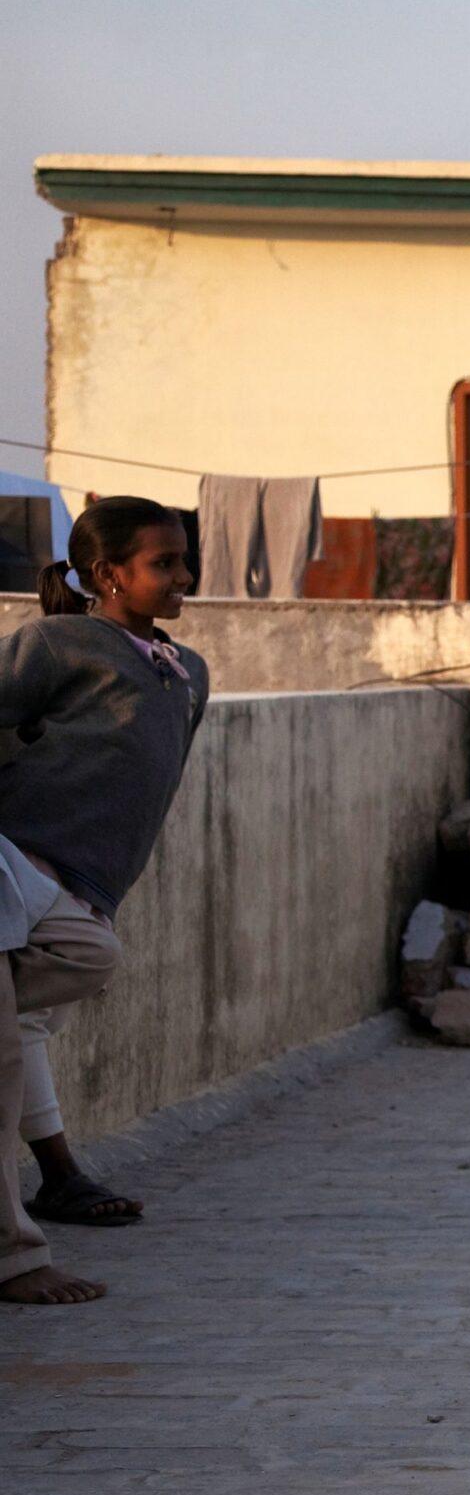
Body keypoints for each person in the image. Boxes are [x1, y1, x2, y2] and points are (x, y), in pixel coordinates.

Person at [1, 497, 207, 1306]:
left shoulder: (186, 668)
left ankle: (55, 1184)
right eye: (163, 564)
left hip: (76, 889)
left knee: (64, 984)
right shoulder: (57, 644)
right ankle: (19, 1256)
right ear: (107, 575)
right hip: (16, 862)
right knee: (7, 1052)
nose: (182, 577)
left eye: (185, 562)